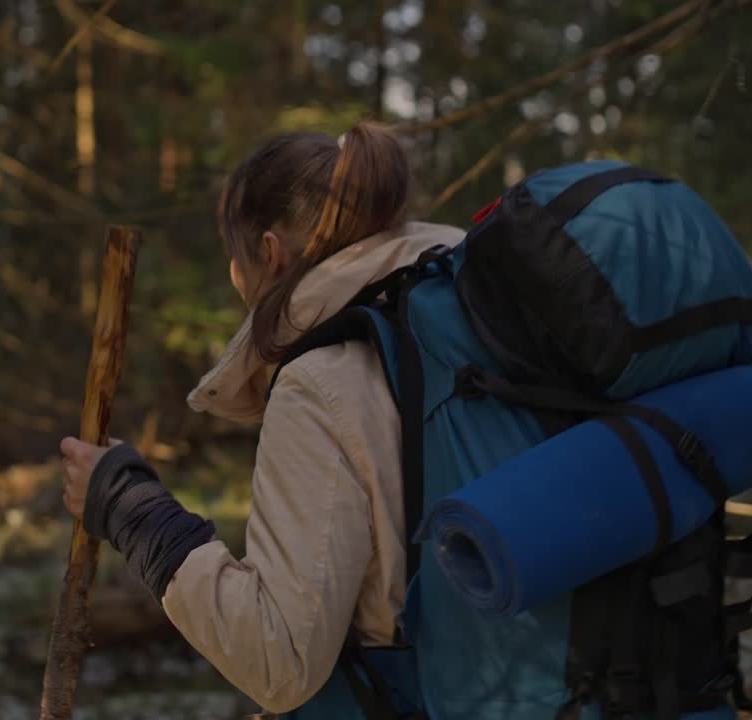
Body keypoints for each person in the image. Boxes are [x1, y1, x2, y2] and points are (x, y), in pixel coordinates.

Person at [59, 123, 466, 715]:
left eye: (235, 257)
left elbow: (281, 661)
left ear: (270, 255)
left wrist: (130, 508)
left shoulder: (320, 382)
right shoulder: (446, 326)